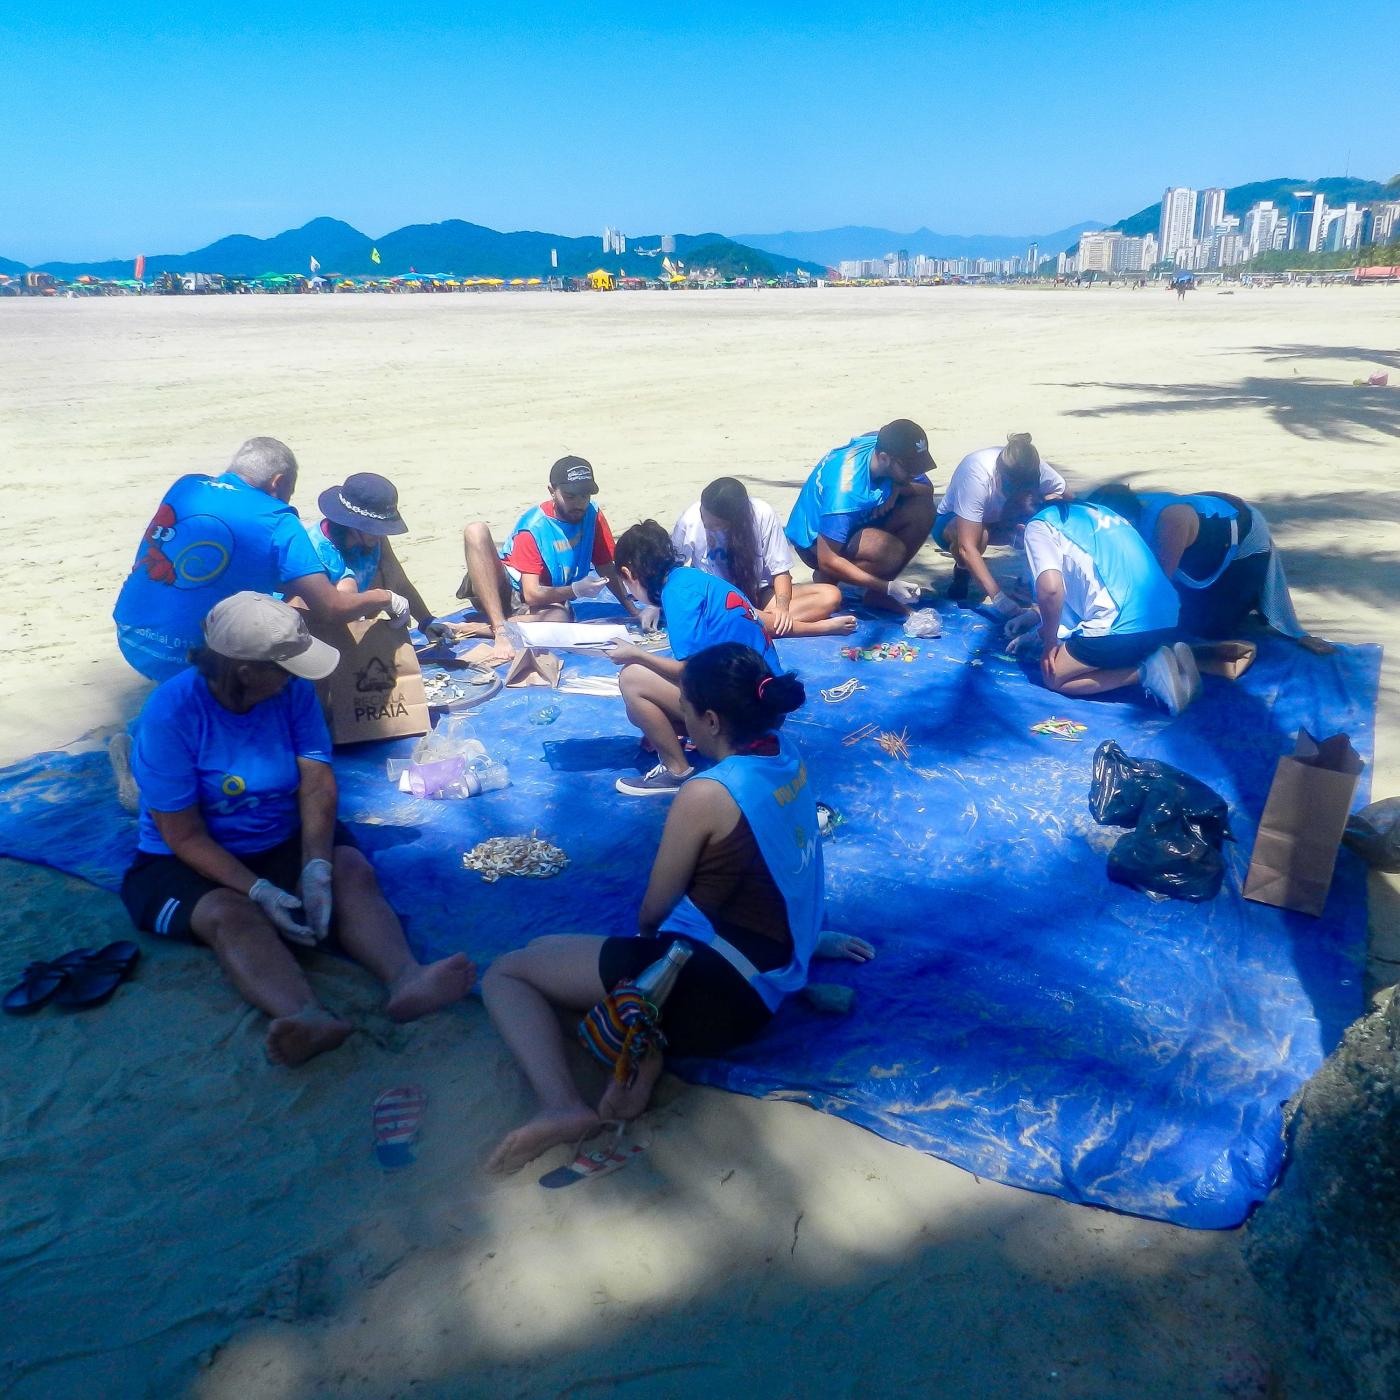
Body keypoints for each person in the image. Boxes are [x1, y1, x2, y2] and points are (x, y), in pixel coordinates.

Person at [481, 642, 874, 1174]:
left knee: (511, 972)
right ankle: (645, 1047)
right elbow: (790, 862)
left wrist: (644, 957)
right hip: (773, 971)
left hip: (719, 997)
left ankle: (565, 1102)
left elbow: (653, 913)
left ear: (710, 720)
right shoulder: (785, 755)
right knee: (552, 952)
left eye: (684, 709)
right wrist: (810, 941)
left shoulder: (707, 794)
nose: (681, 719)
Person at [118, 592, 475, 1066]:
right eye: (286, 668)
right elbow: (182, 834)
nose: (297, 678)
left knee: (352, 871)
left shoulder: (293, 693)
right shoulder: (171, 715)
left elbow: (317, 783)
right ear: (246, 672)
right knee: (230, 914)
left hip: (278, 836)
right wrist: (258, 889)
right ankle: (304, 1014)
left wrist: (316, 863)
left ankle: (406, 977)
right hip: (185, 857)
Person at [114, 437, 409, 683]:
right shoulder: (280, 522)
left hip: (131, 635)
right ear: (278, 483)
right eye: (289, 492)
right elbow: (331, 608)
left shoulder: (186, 487)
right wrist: (384, 598)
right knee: (293, 649)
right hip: (186, 656)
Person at [607, 521, 781, 796]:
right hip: (769, 699)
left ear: (629, 574)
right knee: (637, 711)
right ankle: (711, 741)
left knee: (632, 678)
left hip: (747, 708)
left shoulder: (677, 594)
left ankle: (676, 770)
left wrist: (636, 654)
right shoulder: (691, 579)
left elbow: (688, 670)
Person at [1006, 500, 1201, 713]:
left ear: (1020, 529)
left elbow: (1052, 590)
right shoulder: (1097, 512)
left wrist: (1049, 644)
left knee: (1054, 676)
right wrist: (1038, 632)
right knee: (1098, 639)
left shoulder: (1037, 527)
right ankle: (1165, 659)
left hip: (1124, 626)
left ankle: (1148, 671)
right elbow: (1088, 588)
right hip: (1168, 618)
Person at [1088, 484, 1332, 652]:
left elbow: (1157, 587)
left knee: (1206, 629)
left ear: (1127, 522)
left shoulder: (1170, 522)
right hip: (1201, 534)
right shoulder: (1107, 516)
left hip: (1242, 544)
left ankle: (1247, 596)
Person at [458, 455, 649, 663]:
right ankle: (499, 628)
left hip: (542, 600)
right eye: (570, 496)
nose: (579, 504)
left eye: (584, 496)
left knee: (559, 619)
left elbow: (605, 566)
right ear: (552, 491)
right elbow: (531, 594)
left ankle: (491, 625)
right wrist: (575, 590)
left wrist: (633, 610)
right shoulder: (534, 527)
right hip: (504, 587)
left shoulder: (592, 515)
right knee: (475, 531)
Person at [304, 471, 480, 642]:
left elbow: (397, 581)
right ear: (351, 524)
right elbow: (331, 608)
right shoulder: (316, 549)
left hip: (356, 613)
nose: (381, 534)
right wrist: (382, 598)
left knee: (381, 574)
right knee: (347, 587)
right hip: (319, 628)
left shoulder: (373, 538)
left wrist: (426, 621)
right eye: (374, 529)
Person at [785, 419, 938, 614]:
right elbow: (827, 559)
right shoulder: (844, 493)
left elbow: (926, 489)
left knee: (922, 509)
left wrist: (898, 489)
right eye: (910, 469)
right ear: (884, 458)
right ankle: (828, 580)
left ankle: (876, 595)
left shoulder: (879, 443)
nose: (915, 474)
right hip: (816, 545)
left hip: (856, 519)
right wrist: (887, 587)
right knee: (887, 551)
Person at [671, 477, 855, 638]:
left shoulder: (762, 513)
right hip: (719, 600)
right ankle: (817, 628)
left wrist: (782, 608)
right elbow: (672, 568)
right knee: (727, 615)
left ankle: (757, 622)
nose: (707, 525)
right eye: (704, 517)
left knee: (831, 595)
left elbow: (780, 570)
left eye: (716, 526)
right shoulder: (690, 520)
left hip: (759, 593)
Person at [935, 434, 1069, 608]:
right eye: (1013, 491)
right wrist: (999, 598)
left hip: (1003, 521)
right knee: (979, 537)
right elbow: (967, 547)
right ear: (998, 476)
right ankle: (962, 571)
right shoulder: (976, 476)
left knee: (1051, 505)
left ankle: (1027, 581)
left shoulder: (1038, 470)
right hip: (951, 522)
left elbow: (1069, 504)